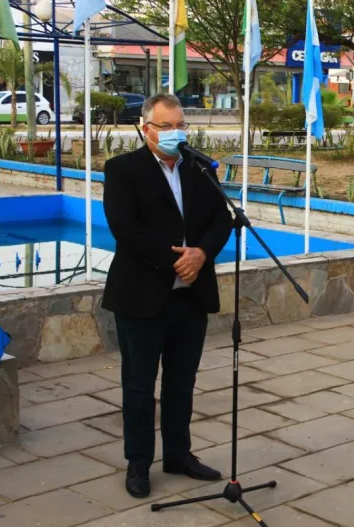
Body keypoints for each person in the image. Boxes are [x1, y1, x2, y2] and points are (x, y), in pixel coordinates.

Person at [102, 93, 233, 498]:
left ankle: (178, 455)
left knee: (181, 382)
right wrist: (178, 260)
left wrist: (202, 253)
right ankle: (138, 463)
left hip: (190, 297)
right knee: (140, 387)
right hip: (141, 296)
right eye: (166, 126)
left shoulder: (198, 167)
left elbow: (222, 219)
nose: (176, 132)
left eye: (180, 125)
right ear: (147, 129)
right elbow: (125, 228)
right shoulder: (123, 169)